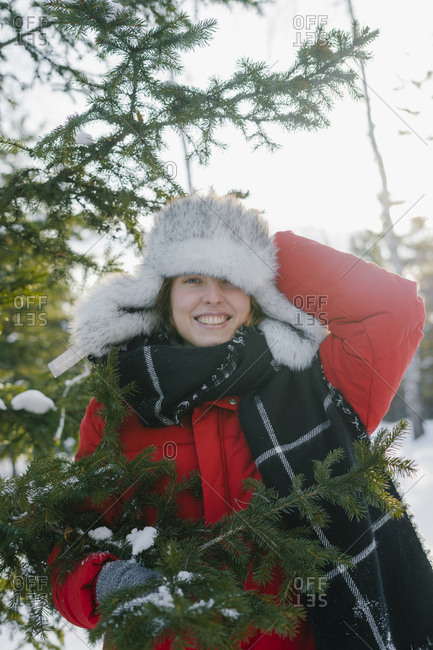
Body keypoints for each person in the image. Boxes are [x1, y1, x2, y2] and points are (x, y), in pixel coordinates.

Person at [48, 192, 433, 649]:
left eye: (231, 279)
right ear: (162, 293)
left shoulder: (316, 381)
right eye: (192, 278)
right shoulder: (120, 403)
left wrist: (266, 251)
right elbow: (68, 541)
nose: (213, 297)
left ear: (255, 295)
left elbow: (394, 308)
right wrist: (106, 583)